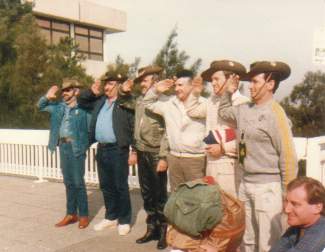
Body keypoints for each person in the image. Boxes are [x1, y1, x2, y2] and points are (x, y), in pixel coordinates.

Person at [218, 61, 298, 252]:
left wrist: (288, 194)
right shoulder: (244, 109)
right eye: (250, 82)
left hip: (268, 188)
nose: (250, 87)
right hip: (245, 184)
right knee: (248, 240)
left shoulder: (276, 114)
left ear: (270, 84)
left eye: (255, 82)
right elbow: (223, 112)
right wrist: (228, 91)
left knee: (268, 244)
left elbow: (288, 156)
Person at [78, 72, 135, 236]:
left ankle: (124, 220)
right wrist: (91, 91)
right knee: (106, 186)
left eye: (110, 84)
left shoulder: (125, 102)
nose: (106, 87)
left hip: (118, 150)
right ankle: (111, 217)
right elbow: (82, 101)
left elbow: (133, 126)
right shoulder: (100, 101)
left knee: (120, 186)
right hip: (102, 149)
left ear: (118, 85)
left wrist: (135, 150)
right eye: (106, 84)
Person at [119, 65, 169, 249]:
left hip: (156, 152)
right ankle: (152, 228)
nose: (142, 85)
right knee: (147, 194)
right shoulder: (141, 101)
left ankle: (164, 230)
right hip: (141, 151)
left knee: (160, 194)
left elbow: (168, 132)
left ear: (155, 82)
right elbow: (123, 100)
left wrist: (163, 156)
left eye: (145, 81)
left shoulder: (165, 102)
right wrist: (122, 90)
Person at [185, 60, 249, 197]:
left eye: (216, 79)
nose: (212, 83)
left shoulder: (242, 102)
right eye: (211, 80)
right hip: (211, 164)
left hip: (230, 166)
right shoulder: (212, 101)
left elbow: (246, 139)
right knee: (215, 210)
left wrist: (223, 148)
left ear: (231, 80)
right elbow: (192, 111)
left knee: (231, 209)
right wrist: (195, 93)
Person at [38, 79, 90, 229]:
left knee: (78, 182)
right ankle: (71, 214)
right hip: (63, 146)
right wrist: (47, 96)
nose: (64, 93)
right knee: (68, 182)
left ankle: (84, 215)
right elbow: (40, 106)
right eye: (63, 91)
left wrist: (84, 145)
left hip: (76, 147)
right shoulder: (58, 107)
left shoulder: (83, 109)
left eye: (68, 90)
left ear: (76, 91)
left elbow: (90, 129)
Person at [143, 69, 206, 191]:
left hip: (196, 160)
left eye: (180, 85)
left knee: (197, 199)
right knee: (177, 198)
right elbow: (147, 102)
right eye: (176, 85)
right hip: (174, 159)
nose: (176, 89)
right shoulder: (169, 103)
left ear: (191, 85)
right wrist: (156, 89)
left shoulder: (204, 103)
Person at [270, 176, 325, 252]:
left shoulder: (321, 233)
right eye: (286, 201)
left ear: (317, 207)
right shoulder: (298, 227)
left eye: (295, 204)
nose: (287, 210)